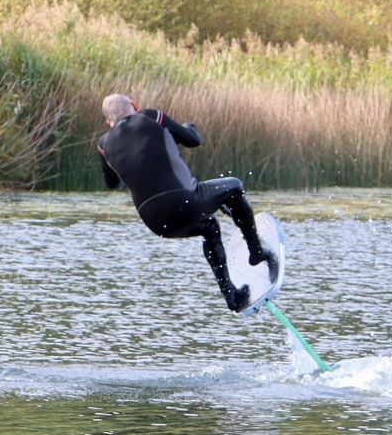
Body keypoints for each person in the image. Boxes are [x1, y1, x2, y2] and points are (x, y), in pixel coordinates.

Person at [97, 94, 278, 312]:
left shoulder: (103, 144)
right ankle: (256, 252)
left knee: (210, 227)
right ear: (134, 106)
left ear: (108, 122)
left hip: (155, 222)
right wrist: (186, 127)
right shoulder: (150, 116)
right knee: (235, 187)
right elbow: (193, 139)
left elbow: (111, 182)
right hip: (185, 201)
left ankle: (231, 295)